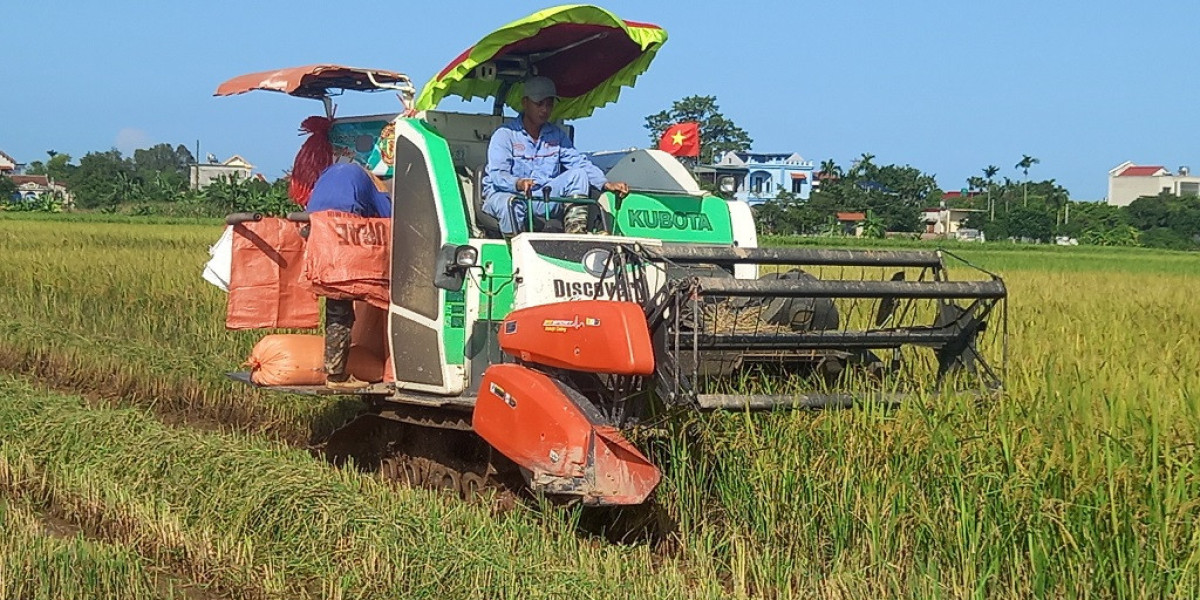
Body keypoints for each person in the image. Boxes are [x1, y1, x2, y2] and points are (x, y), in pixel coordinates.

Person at [481, 76, 629, 235]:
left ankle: (576, 235)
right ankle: (513, 250)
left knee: (578, 174)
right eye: (539, 104)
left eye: (549, 104)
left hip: (542, 198)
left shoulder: (557, 135)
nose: (545, 110)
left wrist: (606, 184)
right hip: (507, 195)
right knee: (509, 204)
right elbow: (497, 175)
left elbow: (579, 163)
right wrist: (518, 183)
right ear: (525, 103)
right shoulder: (504, 135)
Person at [305, 163, 392, 390]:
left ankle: (335, 370)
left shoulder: (332, 171)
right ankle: (336, 376)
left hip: (316, 227)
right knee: (347, 301)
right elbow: (389, 216)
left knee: (335, 299)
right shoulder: (375, 182)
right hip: (341, 230)